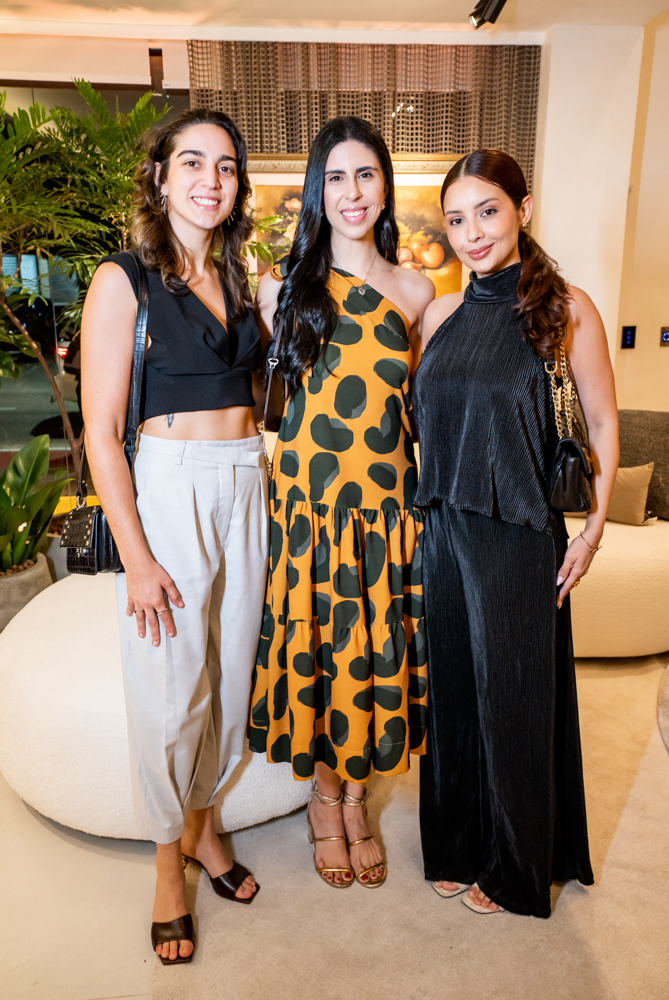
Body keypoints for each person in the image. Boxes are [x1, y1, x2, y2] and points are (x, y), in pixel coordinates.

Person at [81, 109, 268, 964]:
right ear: (159, 177)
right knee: (170, 695)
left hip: (247, 480)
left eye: (225, 167)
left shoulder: (244, 277)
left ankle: (202, 828)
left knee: (229, 683)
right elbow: (101, 427)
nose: (210, 179)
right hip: (170, 488)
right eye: (192, 162)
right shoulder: (123, 280)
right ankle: (168, 866)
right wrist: (138, 556)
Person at [413, 149, 619, 918]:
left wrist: (591, 531)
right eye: (456, 218)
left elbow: (599, 423)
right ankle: (459, 843)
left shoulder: (565, 307)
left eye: (487, 212)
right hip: (443, 529)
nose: (471, 233)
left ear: (522, 210)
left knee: (513, 700)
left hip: (517, 533)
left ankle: (516, 863)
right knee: (456, 699)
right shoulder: (438, 313)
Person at [249, 116, 435, 889]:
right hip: (309, 514)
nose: (351, 193)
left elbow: (418, 404)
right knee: (322, 652)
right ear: (314, 191)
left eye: (364, 175)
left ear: (383, 185)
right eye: (335, 177)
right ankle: (323, 800)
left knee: (372, 653)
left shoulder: (418, 288)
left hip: (385, 512)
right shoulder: (278, 287)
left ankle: (357, 796)